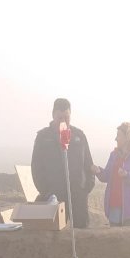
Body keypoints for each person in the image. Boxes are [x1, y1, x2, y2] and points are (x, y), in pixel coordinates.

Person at [31, 98, 95, 228]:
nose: (63, 121)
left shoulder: (79, 136)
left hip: (78, 195)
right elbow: (36, 167)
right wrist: (45, 191)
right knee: (54, 235)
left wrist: (86, 187)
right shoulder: (43, 137)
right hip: (54, 195)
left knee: (81, 233)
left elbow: (89, 164)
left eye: (66, 117)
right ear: (53, 115)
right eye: (60, 117)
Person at [91, 123, 130, 226]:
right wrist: (98, 171)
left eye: (118, 135)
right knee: (114, 238)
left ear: (127, 137)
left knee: (127, 239)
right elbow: (107, 176)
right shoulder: (114, 155)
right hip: (113, 205)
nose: (115, 139)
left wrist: (127, 175)